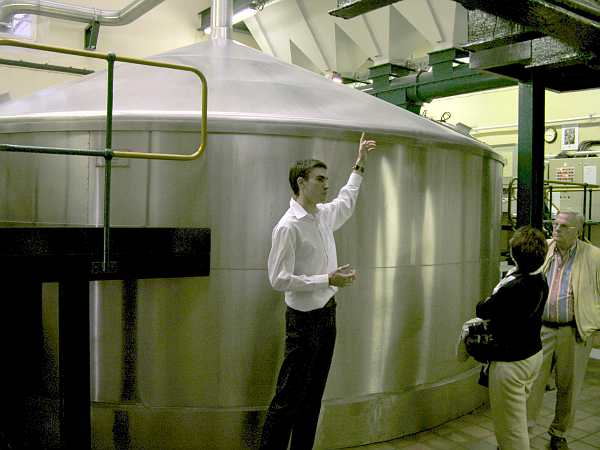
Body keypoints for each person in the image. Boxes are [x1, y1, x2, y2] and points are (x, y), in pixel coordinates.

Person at [259, 133, 376, 450]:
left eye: (327, 180)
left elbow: (347, 200)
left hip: (327, 316)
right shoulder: (288, 226)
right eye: (320, 179)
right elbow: (278, 278)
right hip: (303, 322)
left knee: (313, 398)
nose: (326, 185)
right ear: (301, 182)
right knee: (288, 398)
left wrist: (359, 163)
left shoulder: (322, 216)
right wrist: (326, 279)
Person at [527, 211, 600, 450]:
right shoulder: (544, 249)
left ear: (577, 230)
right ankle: (523, 432)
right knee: (532, 384)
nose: (556, 229)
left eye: (564, 226)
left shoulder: (593, 256)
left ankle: (559, 433)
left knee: (569, 387)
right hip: (542, 329)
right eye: (555, 224)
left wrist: (594, 319)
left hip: (574, 331)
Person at [476, 225, 549, 450]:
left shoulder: (515, 287)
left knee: (511, 430)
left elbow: (483, 309)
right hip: (532, 355)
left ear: (514, 255)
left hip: (511, 363)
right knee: (516, 414)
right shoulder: (540, 279)